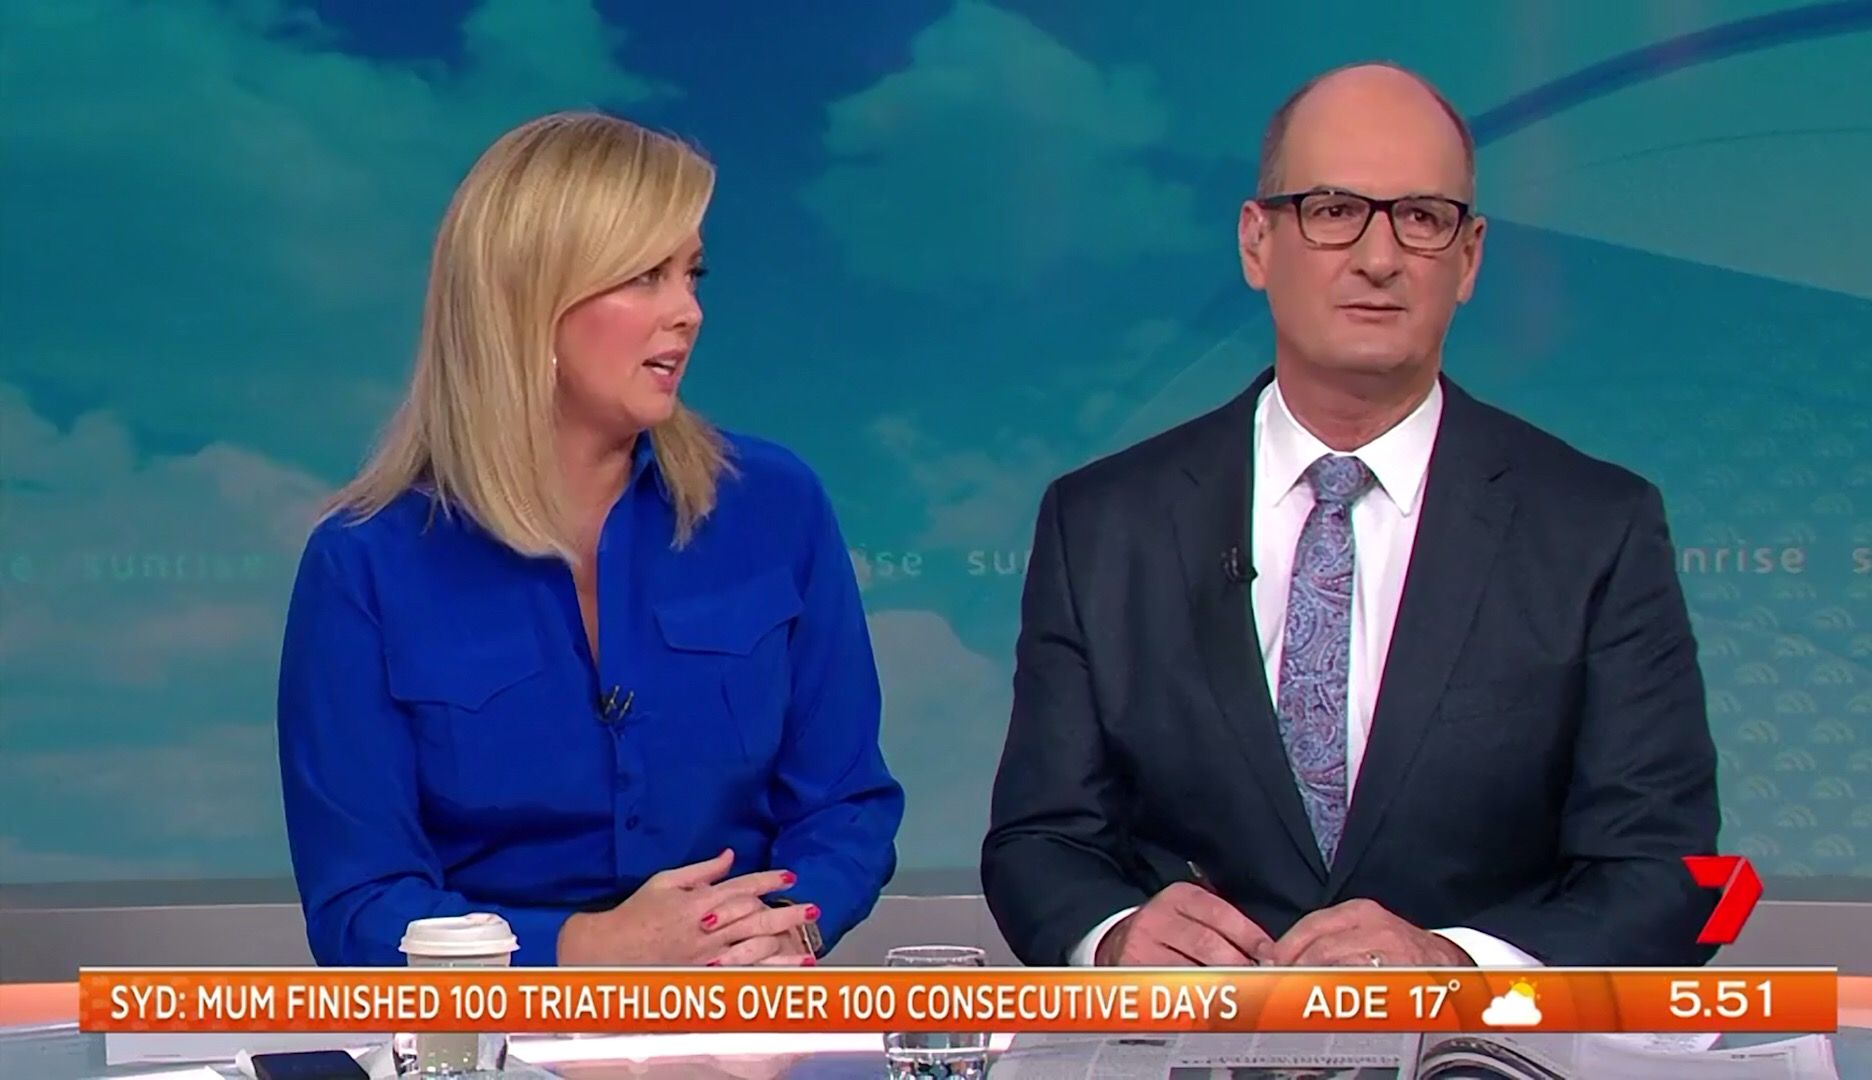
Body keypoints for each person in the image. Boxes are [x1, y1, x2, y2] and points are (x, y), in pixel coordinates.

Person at [981, 63, 1720, 969]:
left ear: (1469, 257)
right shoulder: (1102, 524)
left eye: (1422, 217)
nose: (1379, 258)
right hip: (1190, 1037)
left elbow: (1663, 871)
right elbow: (1041, 842)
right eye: (1333, 210)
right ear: (1256, 242)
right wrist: (1116, 936)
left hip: (1480, 1042)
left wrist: (1455, 965)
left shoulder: (1595, 527)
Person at [278, 112, 903, 967]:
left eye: (691, 275)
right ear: (528, 301)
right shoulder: (365, 562)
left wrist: (786, 923)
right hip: (499, 1022)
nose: (688, 312)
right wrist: (588, 948)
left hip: (741, 1006)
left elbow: (846, 804)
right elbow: (359, 904)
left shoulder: (773, 505)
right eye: (645, 276)